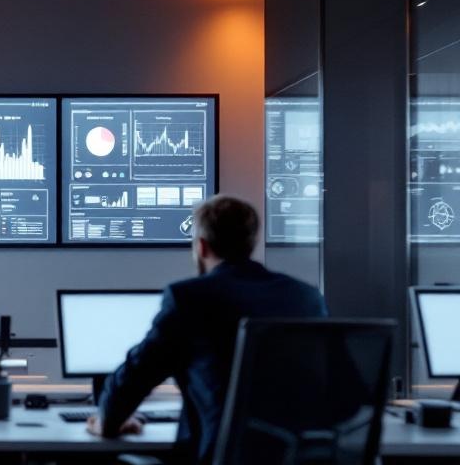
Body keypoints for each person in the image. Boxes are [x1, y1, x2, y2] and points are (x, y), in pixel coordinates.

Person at [88, 195, 327, 464]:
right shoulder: (307, 298)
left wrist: (107, 421)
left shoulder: (189, 298)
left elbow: (136, 375)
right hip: (295, 455)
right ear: (251, 243)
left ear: (201, 246)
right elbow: (348, 392)